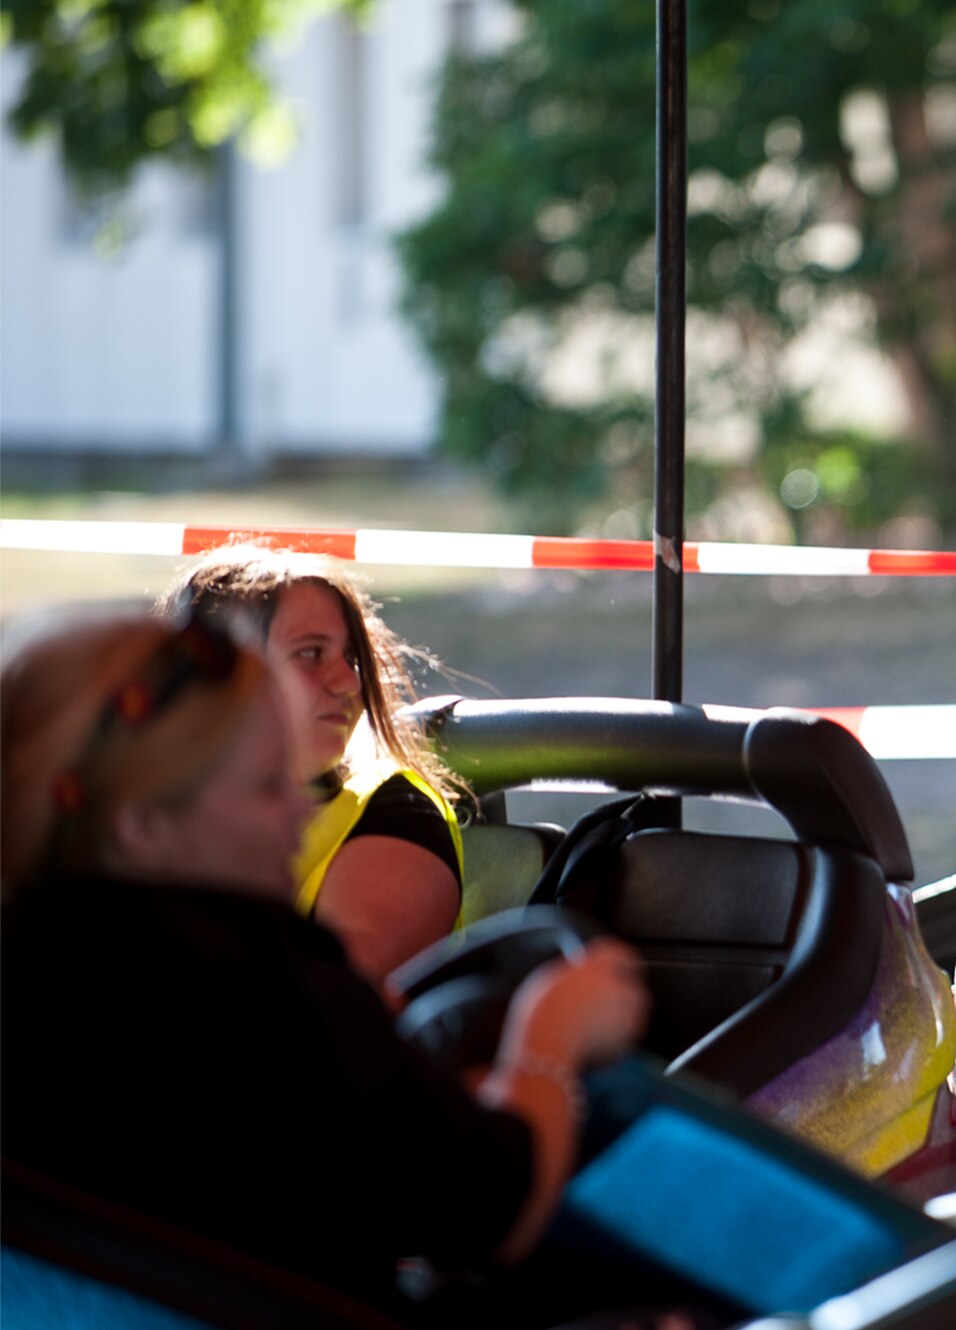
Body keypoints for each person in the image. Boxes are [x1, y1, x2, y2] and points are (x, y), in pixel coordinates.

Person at [0, 611, 650, 1314]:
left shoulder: (38, 968)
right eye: (266, 786)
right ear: (141, 825)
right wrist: (549, 1037)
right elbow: (493, 1211)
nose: (299, 814)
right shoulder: (265, 997)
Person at [164, 543, 465, 987]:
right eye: (311, 654)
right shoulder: (149, 805)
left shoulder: (399, 810)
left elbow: (324, 1001)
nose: (349, 682)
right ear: (217, 674)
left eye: (352, 657)